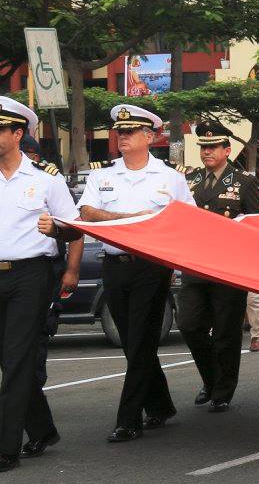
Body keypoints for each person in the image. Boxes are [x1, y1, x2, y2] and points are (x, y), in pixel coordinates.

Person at [0, 96, 83, 473]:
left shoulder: (46, 180)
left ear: (19, 134)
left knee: (16, 360)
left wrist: (63, 246)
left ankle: (6, 447)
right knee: (10, 359)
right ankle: (44, 429)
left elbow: (74, 228)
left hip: (32, 276)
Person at [74, 105, 194, 442]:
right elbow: (86, 211)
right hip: (114, 267)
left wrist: (178, 263)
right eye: (120, 132)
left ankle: (128, 420)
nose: (122, 137)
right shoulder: (102, 175)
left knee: (140, 340)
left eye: (130, 132)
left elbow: (187, 221)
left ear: (150, 137)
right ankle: (161, 405)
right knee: (131, 342)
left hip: (151, 268)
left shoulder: (170, 177)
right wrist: (130, 218)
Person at [176, 121, 259, 413]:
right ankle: (211, 378)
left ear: (228, 150)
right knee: (189, 325)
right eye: (203, 147)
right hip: (196, 267)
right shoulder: (190, 180)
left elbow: (256, 227)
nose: (207, 152)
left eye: (213, 147)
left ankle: (222, 390)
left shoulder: (244, 181)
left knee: (226, 333)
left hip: (229, 268)